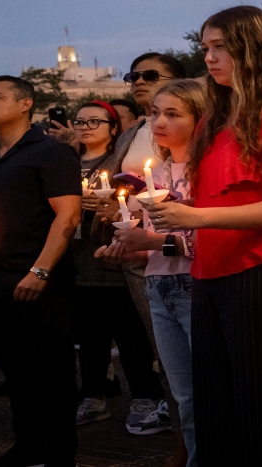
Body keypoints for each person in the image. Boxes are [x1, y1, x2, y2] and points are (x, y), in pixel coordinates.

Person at [145, 6, 262, 466]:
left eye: (220, 46)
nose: (210, 57)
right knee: (218, 409)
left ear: (253, 46)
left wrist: (198, 218)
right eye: (205, 48)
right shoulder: (215, 119)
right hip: (210, 271)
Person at [0, 76, 81, 467]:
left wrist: (39, 272)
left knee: (53, 373)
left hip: (42, 282)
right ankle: (28, 447)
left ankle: (59, 455)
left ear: (25, 104)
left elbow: (68, 217)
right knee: (17, 375)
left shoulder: (50, 153)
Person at [100, 79, 206, 467]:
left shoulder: (207, 170)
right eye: (155, 113)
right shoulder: (157, 172)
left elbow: (204, 240)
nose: (158, 122)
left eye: (173, 114)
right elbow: (156, 237)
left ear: (201, 118)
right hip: (159, 285)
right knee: (183, 395)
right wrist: (124, 245)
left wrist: (149, 243)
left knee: (209, 391)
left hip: (197, 286)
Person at [70, 101, 167, 432]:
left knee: (131, 337)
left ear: (114, 129)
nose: (85, 127)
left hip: (116, 261)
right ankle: (93, 397)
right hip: (79, 262)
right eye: (79, 121)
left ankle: (145, 398)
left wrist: (111, 205)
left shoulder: (117, 164)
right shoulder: (65, 163)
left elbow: (134, 201)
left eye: (95, 121)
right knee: (91, 339)